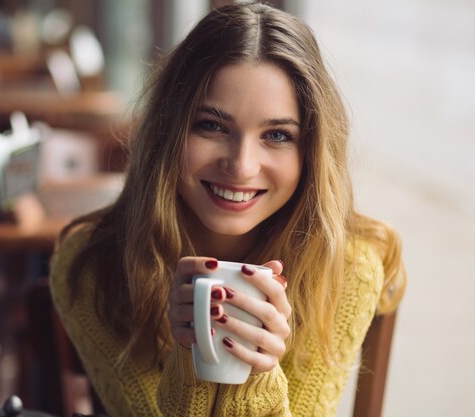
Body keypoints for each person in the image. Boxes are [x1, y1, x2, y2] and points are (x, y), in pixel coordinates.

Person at [50, 2, 406, 416]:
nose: (241, 165)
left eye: (276, 134)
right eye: (212, 126)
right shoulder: (91, 267)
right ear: (168, 129)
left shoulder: (346, 268)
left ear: (311, 153)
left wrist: (254, 374)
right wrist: (196, 356)